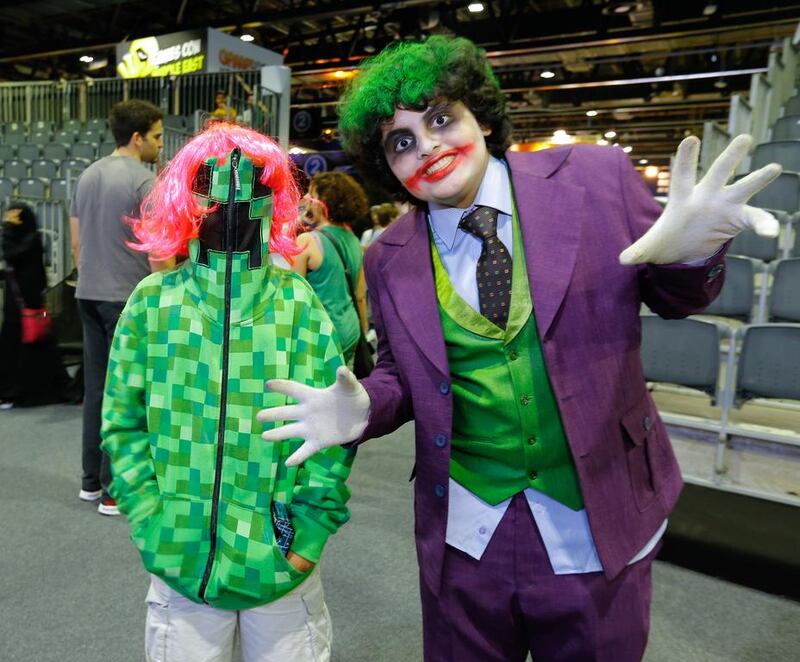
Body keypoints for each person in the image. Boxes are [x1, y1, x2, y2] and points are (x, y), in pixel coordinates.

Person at [258, 36, 782, 661]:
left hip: (598, 514)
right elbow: (405, 374)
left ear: (479, 114)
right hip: (467, 534)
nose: (426, 146)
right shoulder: (389, 258)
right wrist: (366, 408)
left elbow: (674, 296)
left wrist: (696, 254)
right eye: (401, 142)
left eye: (440, 118)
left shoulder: (595, 179)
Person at [101, 122, 355, 662]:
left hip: (282, 566)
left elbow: (333, 430)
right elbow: (122, 424)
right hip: (182, 565)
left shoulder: (297, 304)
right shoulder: (153, 304)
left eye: (254, 185)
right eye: (209, 185)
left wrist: (306, 539)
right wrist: (152, 522)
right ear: (183, 198)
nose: (231, 199)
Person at [70, 98, 171, 516]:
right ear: (137, 138)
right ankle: (114, 491)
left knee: (96, 390)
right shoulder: (144, 181)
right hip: (125, 300)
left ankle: (92, 482)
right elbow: (159, 253)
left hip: (88, 294)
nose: (161, 146)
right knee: (126, 395)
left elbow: (77, 244)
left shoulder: (87, 175)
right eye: (157, 137)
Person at [291, 172, 368, 365]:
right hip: (351, 331)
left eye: (311, 196)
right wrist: (363, 332)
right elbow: (359, 296)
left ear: (321, 203)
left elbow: (294, 298)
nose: (307, 201)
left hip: (320, 336)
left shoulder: (307, 241)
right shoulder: (354, 241)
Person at [0, 203, 70, 408]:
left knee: (27, 346)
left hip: (26, 304)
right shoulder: (29, 239)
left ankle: (18, 391)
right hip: (24, 304)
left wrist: (7, 231)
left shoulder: (29, 242)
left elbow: (14, 255)